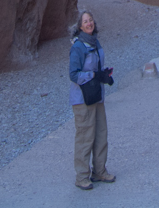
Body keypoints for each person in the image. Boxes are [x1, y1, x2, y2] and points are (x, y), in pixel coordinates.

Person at [69, 11, 116, 190]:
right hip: (82, 100)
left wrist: (104, 74)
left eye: (91, 20)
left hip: (97, 97)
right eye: (85, 21)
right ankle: (82, 177)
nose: (89, 23)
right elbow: (73, 74)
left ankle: (99, 171)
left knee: (101, 135)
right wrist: (94, 75)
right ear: (80, 27)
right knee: (85, 137)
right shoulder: (78, 47)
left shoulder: (95, 42)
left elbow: (96, 67)